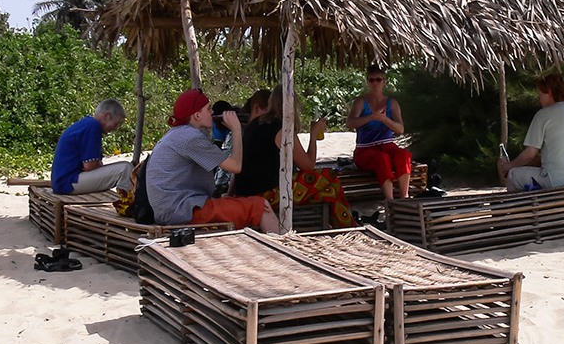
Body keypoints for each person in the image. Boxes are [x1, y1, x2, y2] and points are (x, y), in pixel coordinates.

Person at [146, 89, 280, 233]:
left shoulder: (177, 133)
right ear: (197, 115)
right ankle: (282, 252)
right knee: (260, 206)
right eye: (208, 109)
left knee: (233, 202)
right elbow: (236, 166)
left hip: (172, 209)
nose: (212, 112)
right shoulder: (191, 138)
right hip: (183, 211)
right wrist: (236, 130)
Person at [234, 85, 356, 227]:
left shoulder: (255, 124)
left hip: (246, 192)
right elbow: (308, 165)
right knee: (328, 175)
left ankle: (345, 227)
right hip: (266, 194)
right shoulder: (282, 129)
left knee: (329, 194)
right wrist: (314, 135)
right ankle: (349, 229)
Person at [498, 73, 564, 192]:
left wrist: (509, 166)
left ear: (550, 92)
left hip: (562, 181)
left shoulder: (543, 115)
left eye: (541, 95)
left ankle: (520, 209)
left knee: (513, 175)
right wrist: (542, 159)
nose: (539, 100)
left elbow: (530, 154)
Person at [346, 64, 412, 200]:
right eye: (372, 80)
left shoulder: (392, 103)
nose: (375, 83)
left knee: (403, 155)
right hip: (365, 149)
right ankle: (390, 199)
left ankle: (404, 196)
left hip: (387, 145)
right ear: (367, 81)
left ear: (384, 81)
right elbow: (350, 123)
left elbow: (400, 129)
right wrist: (370, 117)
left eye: (379, 80)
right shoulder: (360, 102)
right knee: (382, 159)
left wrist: (384, 119)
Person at [51, 99, 133, 195]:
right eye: (116, 123)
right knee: (125, 169)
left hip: (63, 182)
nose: (115, 128)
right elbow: (90, 166)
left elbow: (93, 165)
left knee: (123, 168)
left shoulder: (87, 123)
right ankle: (126, 205)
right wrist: (95, 165)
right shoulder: (93, 126)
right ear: (107, 116)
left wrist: (96, 165)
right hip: (68, 183)